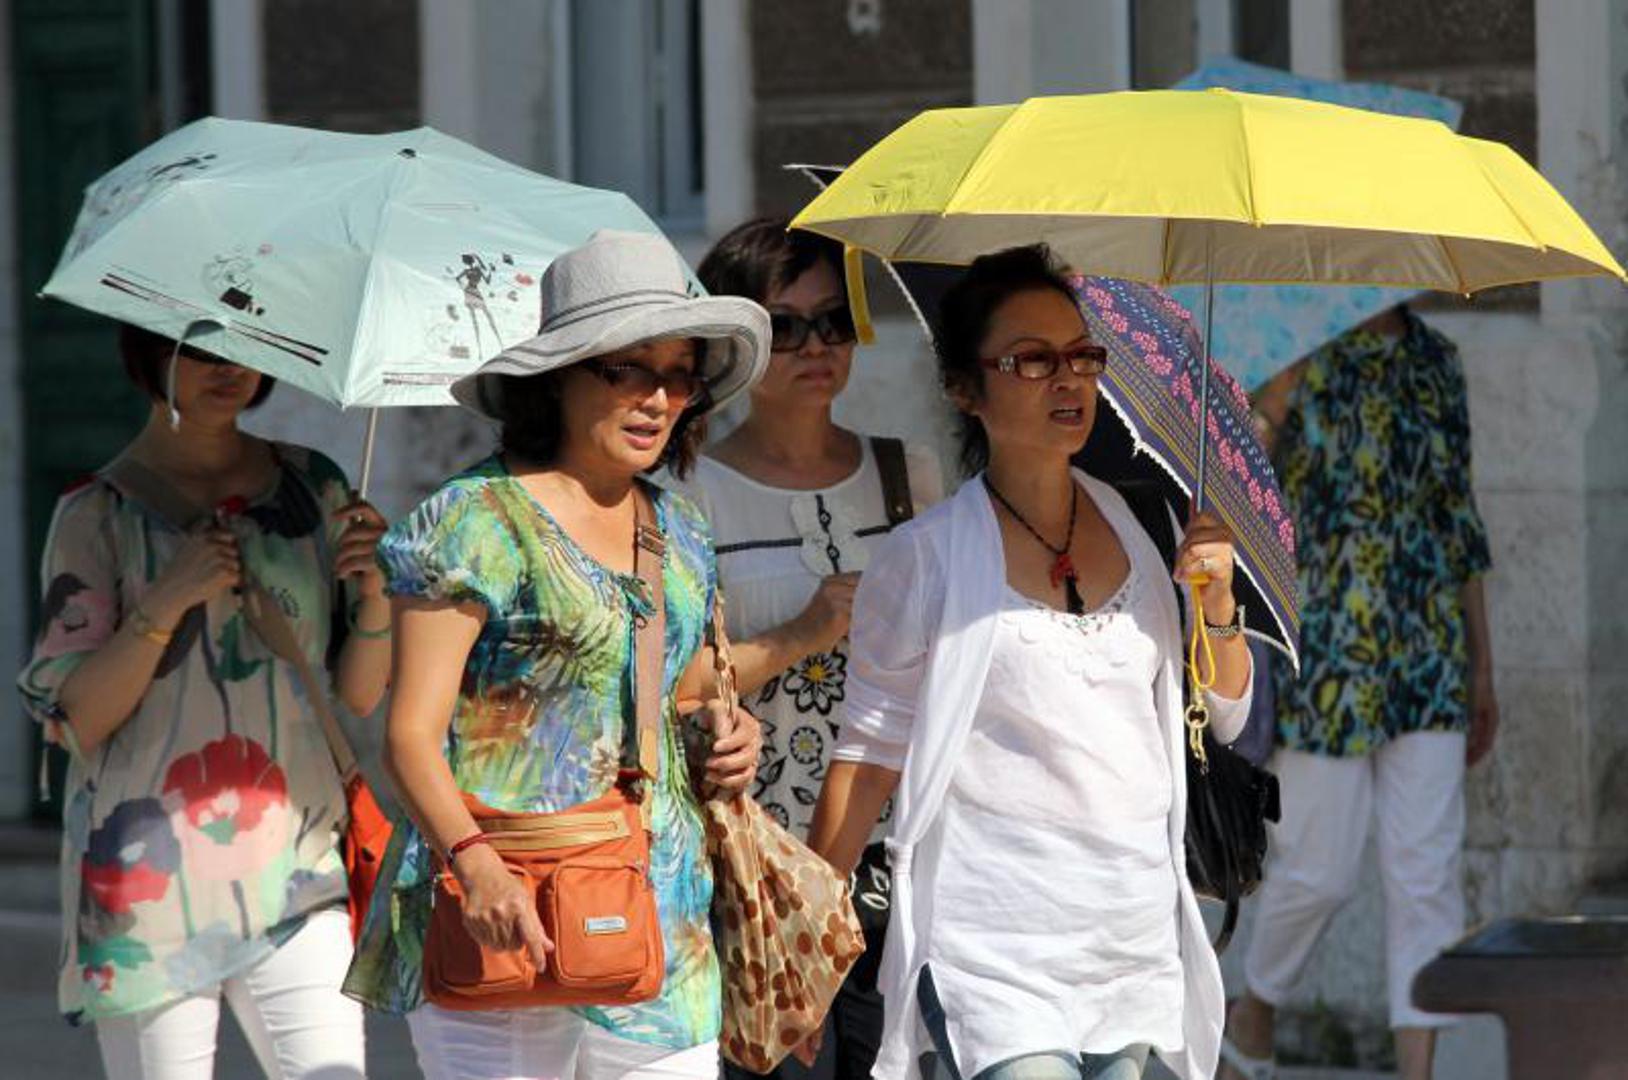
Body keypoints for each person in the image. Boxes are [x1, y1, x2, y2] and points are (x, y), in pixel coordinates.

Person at [805, 245, 1255, 1080]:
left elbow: (1221, 712)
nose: (1069, 380)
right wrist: (808, 940)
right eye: (1033, 360)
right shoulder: (925, 558)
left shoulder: (1144, 526)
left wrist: (1220, 607)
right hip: (990, 943)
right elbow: (867, 758)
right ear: (963, 388)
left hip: (1131, 934)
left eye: (1083, 356)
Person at [344, 229, 769, 1080]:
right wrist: (476, 866)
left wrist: (728, 733)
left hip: (660, 918)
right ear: (560, 375)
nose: (658, 398)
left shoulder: (680, 528)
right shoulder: (473, 521)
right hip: (501, 912)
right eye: (629, 370)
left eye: (679, 375)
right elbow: (409, 736)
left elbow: (678, 696)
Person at [18, 324, 392, 1079]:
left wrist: (378, 589)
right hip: (146, 879)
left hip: (298, 865)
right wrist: (167, 599)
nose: (231, 369)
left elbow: (356, 693)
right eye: (203, 350)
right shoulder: (97, 512)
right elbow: (75, 719)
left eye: (250, 346)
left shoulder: (315, 488)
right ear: (150, 355)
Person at [683, 218, 944, 1080]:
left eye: (834, 321)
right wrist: (803, 632)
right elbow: (671, 683)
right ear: (736, 340)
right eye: (785, 326)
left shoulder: (909, 475)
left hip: (897, 860)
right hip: (757, 871)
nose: (816, 345)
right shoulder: (686, 494)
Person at [1221, 305, 1499, 1080]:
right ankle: (1256, 1007)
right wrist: (1274, 401)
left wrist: (1483, 665)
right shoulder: (1294, 350)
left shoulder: (1437, 362)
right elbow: (1239, 496)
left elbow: (1459, 521)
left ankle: (1420, 1070)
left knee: (1426, 876)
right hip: (1326, 656)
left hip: (1428, 651)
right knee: (1319, 870)